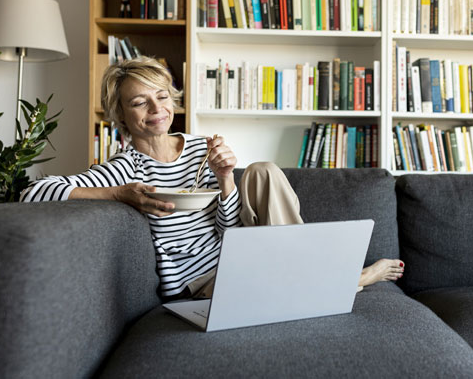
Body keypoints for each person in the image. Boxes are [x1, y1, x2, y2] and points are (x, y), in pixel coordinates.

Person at [20, 56, 403, 299]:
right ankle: (349, 280)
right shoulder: (126, 169)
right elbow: (33, 192)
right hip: (199, 284)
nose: (157, 108)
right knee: (272, 289)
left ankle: (307, 270)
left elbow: (225, 227)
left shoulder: (201, 147)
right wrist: (120, 195)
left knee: (262, 171)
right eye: (140, 102)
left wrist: (224, 180)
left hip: (238, 252)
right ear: (121, 116)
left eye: (163, 96)